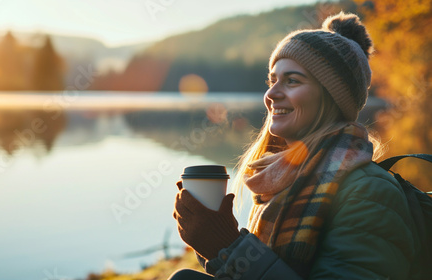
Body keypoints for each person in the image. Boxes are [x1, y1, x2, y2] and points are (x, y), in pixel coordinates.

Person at [169, 11, 423, 280]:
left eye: (292, 81)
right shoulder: (282, 178)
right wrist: (210, 238)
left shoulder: (369, 191)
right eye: (272, 80)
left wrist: (229, 248)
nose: (271, 94)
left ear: (333, 96)